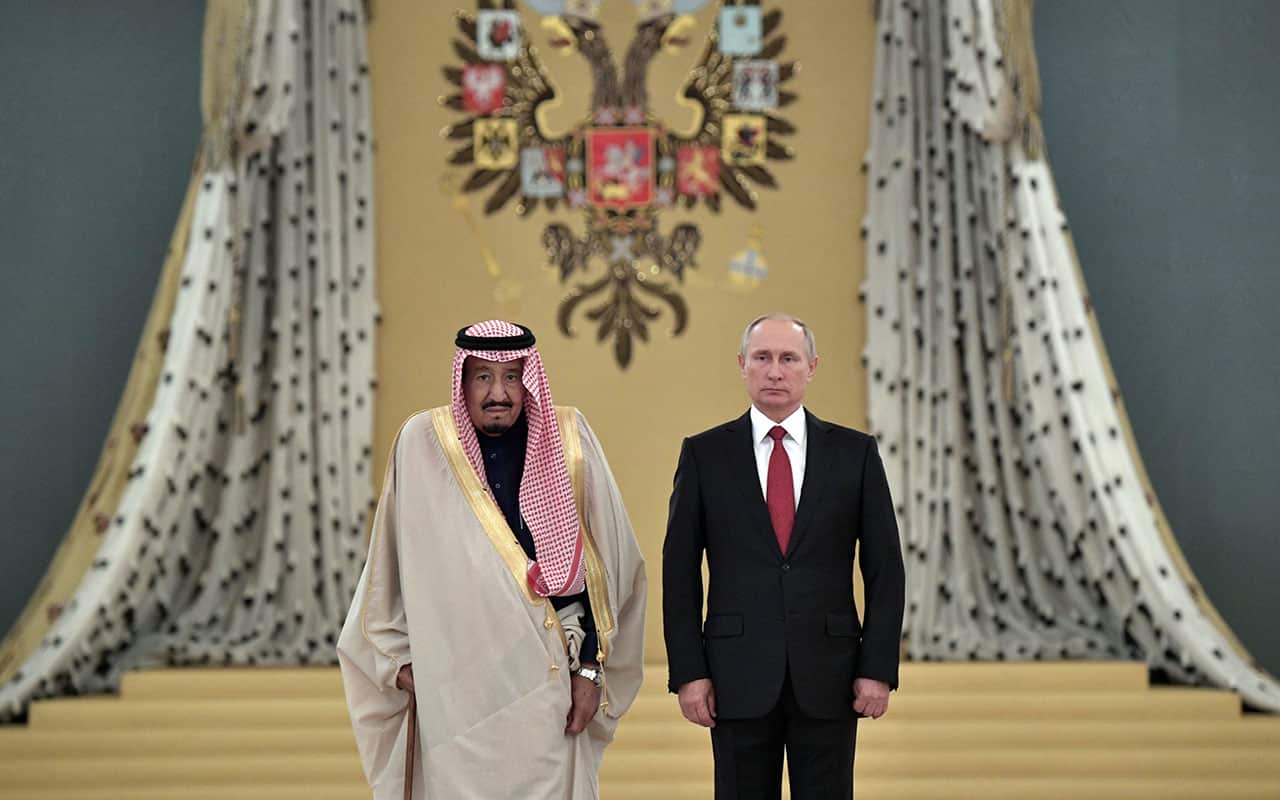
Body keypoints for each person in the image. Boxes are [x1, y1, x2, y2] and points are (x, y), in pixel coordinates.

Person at [338, 320, 646, 799]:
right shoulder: (422, 444)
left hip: (546, 689)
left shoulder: (569, 440)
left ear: (529, 381)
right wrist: (396, 662)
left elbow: (609, 569)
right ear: (461, 381)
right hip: (455, 695)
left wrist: (590, 669)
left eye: (511, 377)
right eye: (483, 376)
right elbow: (385, 570)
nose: (498, 393)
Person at [662, 313, 905, 799]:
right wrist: (690, 672)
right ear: (742, 365)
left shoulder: (854, 454)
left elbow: (885, 569)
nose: (775, 371)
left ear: (811, 367)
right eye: (762, 358)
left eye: (788, 358)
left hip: (831, 673)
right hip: (735, 675)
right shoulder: (705, 455)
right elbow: (679, 572)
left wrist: (877, 668)